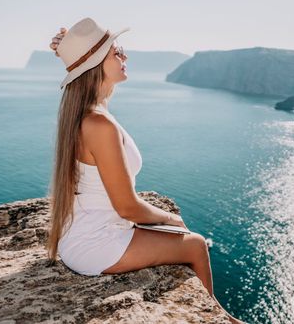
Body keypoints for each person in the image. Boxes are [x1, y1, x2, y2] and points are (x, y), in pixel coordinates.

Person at [46, 17, 245, 324]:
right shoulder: (99, 124)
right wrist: (169, 218)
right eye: (116, 52)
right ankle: (216, 317)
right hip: (95, 245)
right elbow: (127, 207)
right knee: (196, 245)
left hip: (87, 234)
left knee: (182, 236)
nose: (124, 57)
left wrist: (71, 47)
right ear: (97, 64)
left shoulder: (90, 115)